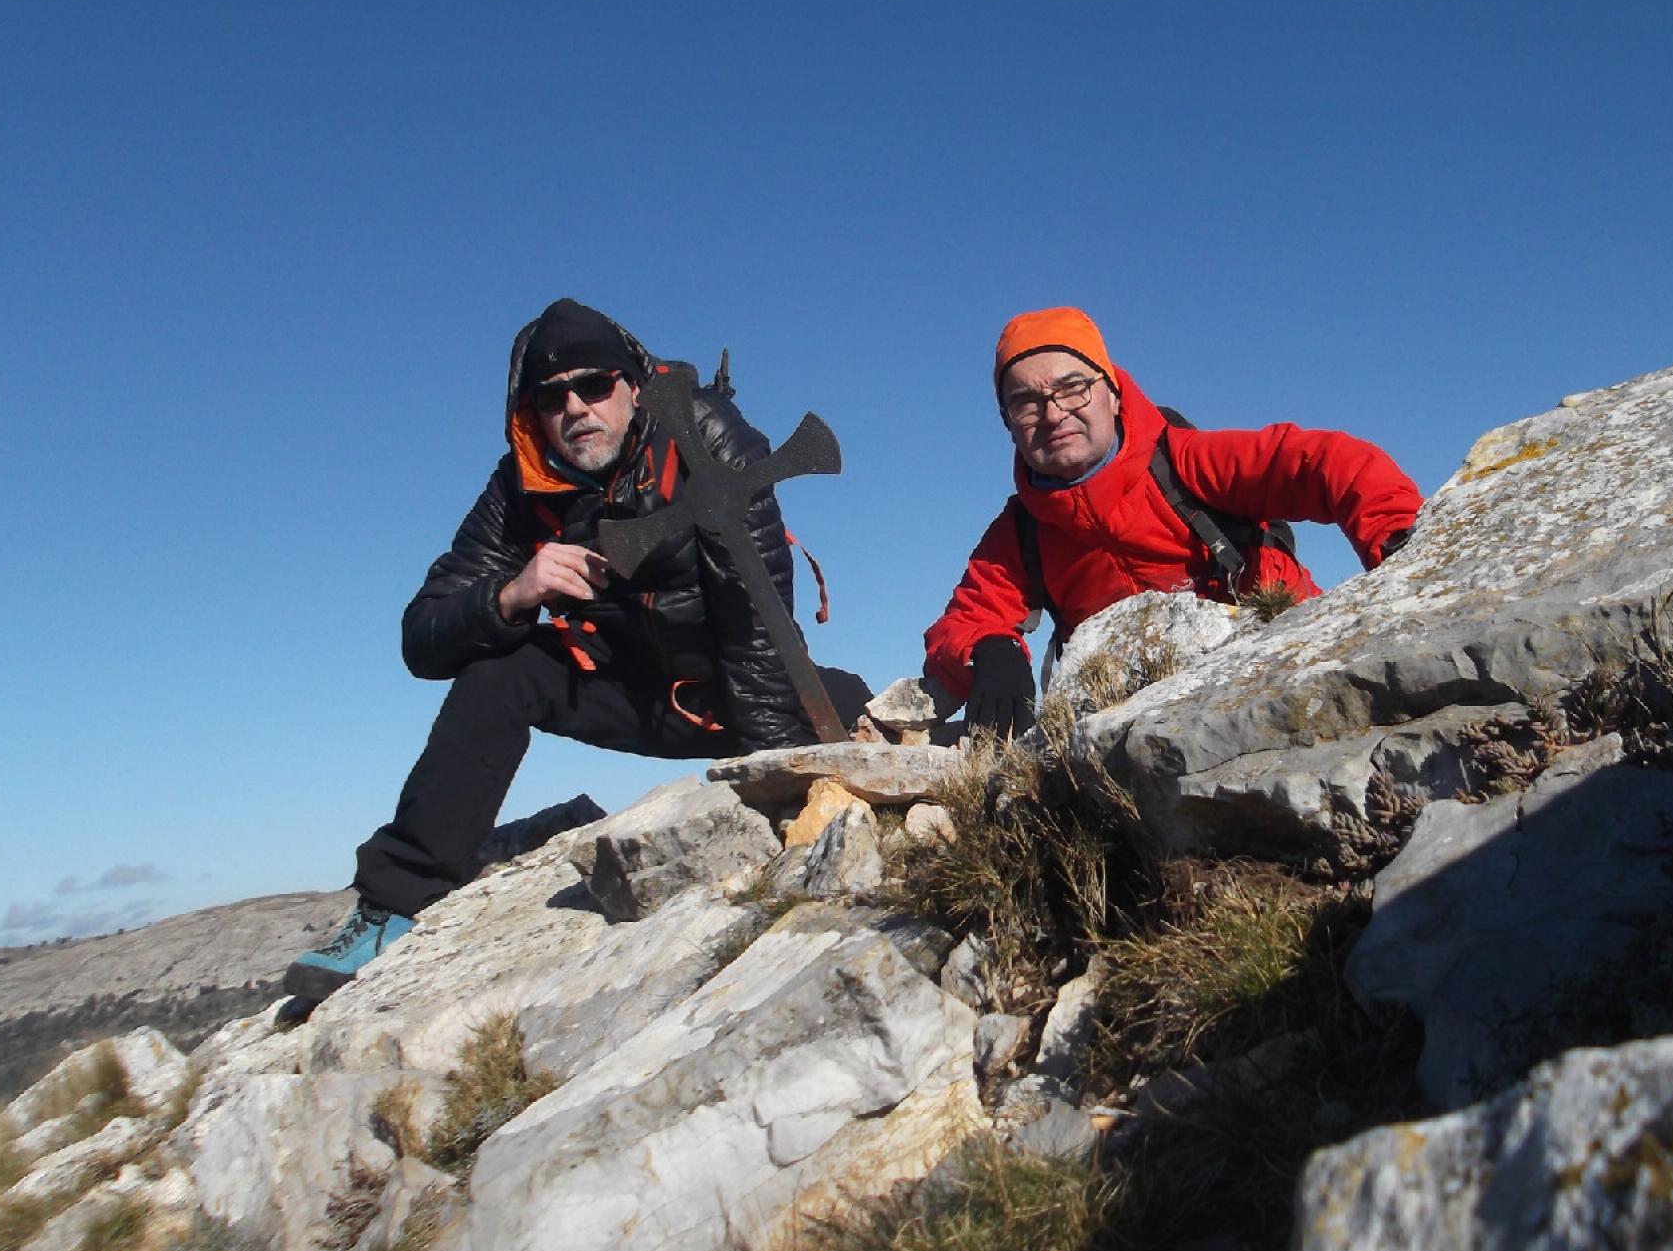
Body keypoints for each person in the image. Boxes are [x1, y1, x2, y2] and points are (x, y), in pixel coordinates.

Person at [286, 299, 829, 1001]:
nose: (575, 408)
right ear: (532, 413)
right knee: (505, 666)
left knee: (862, 713)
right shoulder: (520, 489)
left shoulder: (702, 439)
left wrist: (779, 789)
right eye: (551, 396)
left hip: (739, 692)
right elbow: (421, 638)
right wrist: (513, 593)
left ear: (632, 384)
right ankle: (392, 907)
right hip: (628, 695)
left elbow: (756, 620)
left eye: (594, 385)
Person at [924, 306, 1424, 735]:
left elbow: (1326, 463)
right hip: (1138, 728)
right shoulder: (1021, 531)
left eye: (1072, 388)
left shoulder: (1186, 462)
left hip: (1292, 669)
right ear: (1008, 424)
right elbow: (965, 621)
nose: (1053, 414)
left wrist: (1399, 537)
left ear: (1113, 392)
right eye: (1025, 403)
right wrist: (988, 650)